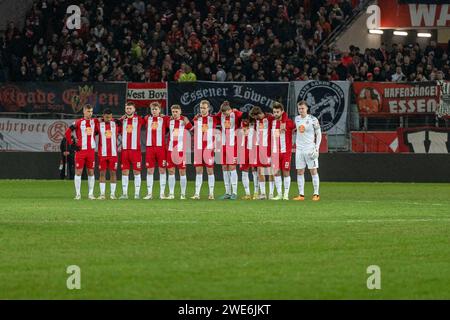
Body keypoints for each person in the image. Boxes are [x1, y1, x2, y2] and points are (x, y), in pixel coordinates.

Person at [65, 104, 99, 200]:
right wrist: (72, 144)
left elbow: (99, 127)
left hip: (91, 151)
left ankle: (91, 194)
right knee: (78, 172)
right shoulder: (78, 122)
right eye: (88, 111)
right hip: (81, 151)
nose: (90, 113)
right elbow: (67, 132)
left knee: (91, 172)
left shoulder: (94, 122)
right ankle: (78, 194)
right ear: (84, 111)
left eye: (91, 111)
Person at [293, 101, 322, 201]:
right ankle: (301, 195)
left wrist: (317, 148)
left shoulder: (313, 119)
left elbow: (319, 134)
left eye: (302, 108)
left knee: (313, 171)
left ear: (307, 109)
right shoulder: (296, 119)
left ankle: (316, 194)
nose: (301, 110)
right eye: (299, 108)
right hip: (299, 149)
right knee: (300, 171)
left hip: (310, 148)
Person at [215, 101, 244, 200]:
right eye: (223, 113)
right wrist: (221, 108)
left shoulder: (235, 114)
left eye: (226, 112)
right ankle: (227, 192)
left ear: (229, 110)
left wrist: (236, 110)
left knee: (232, 167)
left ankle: (234, 192)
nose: (224, 114)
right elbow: (216, 116)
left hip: (232, 145)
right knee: (224, 167)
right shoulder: (221, 115)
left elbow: (243, 115)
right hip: (223, 144)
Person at [191, 99, 218, 200]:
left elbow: (223, 114)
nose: (202, 110)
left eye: (204, 108)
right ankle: (197, 193)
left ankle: (211, 193)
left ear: (209, 108)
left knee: (210, 171)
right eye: (201, 108)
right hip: (198, 148)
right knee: (198, 171)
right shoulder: (196, 119)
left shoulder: (213, 119)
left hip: (208, 149)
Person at [143, 102, 170, 200]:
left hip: (161, 148)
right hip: (150, 148)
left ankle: (162, 193)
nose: (154, 111)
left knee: (162, 170)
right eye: (152, 109)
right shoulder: (146, 118)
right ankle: (149, 193)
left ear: (160, 110)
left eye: (156, 109)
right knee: (150, 170)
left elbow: (175, 118)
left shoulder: (165, 119)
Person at [119, 101, 145, 199]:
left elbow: (153, 119)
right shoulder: (121, 120)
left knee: (136, 172)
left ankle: (137, 194)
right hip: (125, 150)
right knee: (124, 172)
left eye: (130, 108)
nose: (128, 110)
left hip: (135, 151)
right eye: (127, 108)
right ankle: (124, 194)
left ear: (134, 109)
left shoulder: (139, 119)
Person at [166, 104, 193, 199]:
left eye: (176, 111)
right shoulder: (168, 120)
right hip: (170, 149)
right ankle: (171, 194)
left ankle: (183, 194)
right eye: (173, 112)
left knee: (182, 172)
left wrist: (188, 123)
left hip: (181, 150)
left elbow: (193, 130)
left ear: (180, 111)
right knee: (171, 171)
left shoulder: (184, 120)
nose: (174, 113)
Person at [270, 102, 295, 200]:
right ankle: (279, 194)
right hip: (275, 152)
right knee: (276, 172)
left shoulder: (288, 122)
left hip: (286, 152)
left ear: (282, 112)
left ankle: (286, 194)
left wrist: (284, 119)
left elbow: (295, 127)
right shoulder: (272, 121)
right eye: (274, 112)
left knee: (286, 172)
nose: (275, 114)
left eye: (277, 112)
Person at [96, 108, 120, 200]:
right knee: (102, 173)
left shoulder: (116, 124)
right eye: (106, 117)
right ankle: (102, 194)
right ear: (103, 116)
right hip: (102, 153)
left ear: (112, 116)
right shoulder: (99, 125)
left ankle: (112, 194)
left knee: (113, 173)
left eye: (110, 117)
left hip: (113, 154)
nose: (108, 119)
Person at [238, 116, 259, 200]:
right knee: (244, 171)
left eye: (246, 119)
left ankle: (256, 193)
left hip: (253, 149)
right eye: (243, 120)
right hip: (243, 150)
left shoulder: (255, 124)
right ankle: (247, 193)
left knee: (254, 170)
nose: (245, 121)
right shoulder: (241, 124)